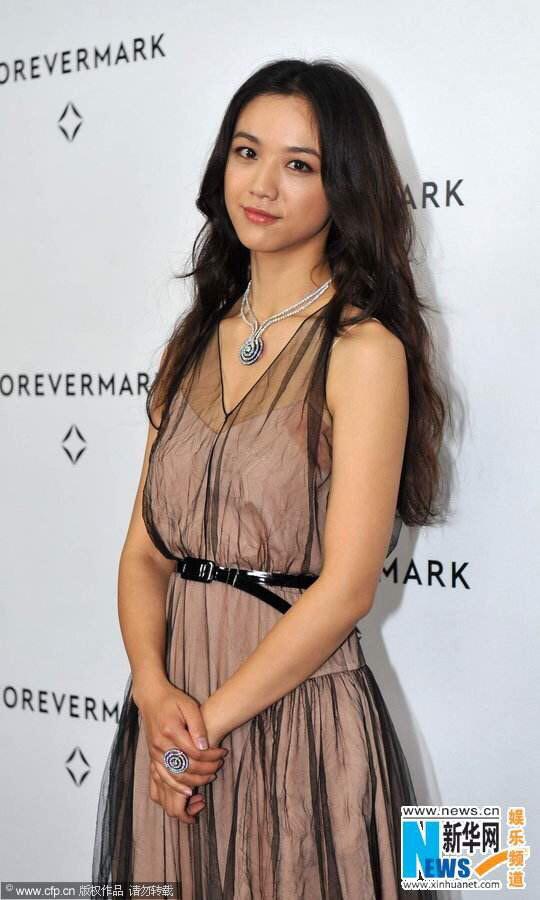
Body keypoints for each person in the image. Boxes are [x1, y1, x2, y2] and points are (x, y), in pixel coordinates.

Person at [92, 57, 448, 899]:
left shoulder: (363, 351)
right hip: (173, 715)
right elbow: (144, 554)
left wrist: (199, 733)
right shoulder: (189, 345)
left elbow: (348, 589)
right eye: (247, 152)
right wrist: (156, 694)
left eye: (300, 165)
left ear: (343, 187)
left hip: (294, 720)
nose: (262, 185)